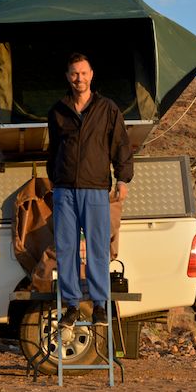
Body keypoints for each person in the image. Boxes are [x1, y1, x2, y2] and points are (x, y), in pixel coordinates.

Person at [46, 52, 133, 329]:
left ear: (91, 75)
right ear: (67, 77)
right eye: (74, 73)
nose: (79, 78)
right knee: (66, 248)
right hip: (64, 191)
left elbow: (121, 145)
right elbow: (53, 151)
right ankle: (71, 306)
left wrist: (123, 179)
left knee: (97, 247)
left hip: (95, 189)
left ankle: (99, 305)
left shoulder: (107, 109)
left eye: (83, 73)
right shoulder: (58, 111)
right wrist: (54, 180)